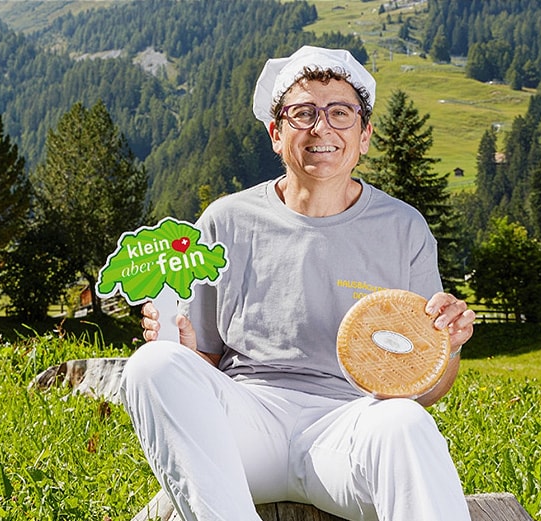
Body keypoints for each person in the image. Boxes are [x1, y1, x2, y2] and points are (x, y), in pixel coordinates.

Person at [120, 45, 476, 521]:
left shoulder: (403, 227)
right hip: (247, 422)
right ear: (275, 132)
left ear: (365, 134)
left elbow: (423, 390)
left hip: (349, 428)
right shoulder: (224, 222)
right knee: (152, 364)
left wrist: (448, 346)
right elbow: (204, 359)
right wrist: (184, 350)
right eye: (303, 113)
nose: (321, 127)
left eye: (340, 113)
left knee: (406, 422)